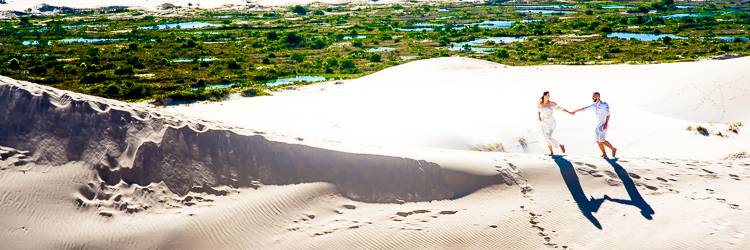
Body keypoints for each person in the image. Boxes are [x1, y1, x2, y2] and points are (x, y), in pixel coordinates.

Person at [573, 92, 618, 158]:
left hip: (604, 124)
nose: (593, 97)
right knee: (597, 141)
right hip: (598, 125)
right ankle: (604, 154)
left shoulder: (604, 104)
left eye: (594, 96)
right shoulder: (594, 105)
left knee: (602, 140)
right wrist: (576, 111)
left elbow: (608, 114)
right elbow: (585, 108)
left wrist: (606, 123)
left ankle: (613, 149)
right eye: (592, 96)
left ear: (598, 97)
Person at [538, 91, 574, 156]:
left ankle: (560, 145)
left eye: (549, 95)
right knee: (546, 138)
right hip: (544, 122)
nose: (549, 96)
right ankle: (551, 152)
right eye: (547, 95)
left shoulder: (551, 103)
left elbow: (561, 109)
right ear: (544, 96)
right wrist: (539, 116)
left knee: (548, 137)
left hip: (551, 122)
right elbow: (539, 110)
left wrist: (569, 112)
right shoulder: (539, 103)